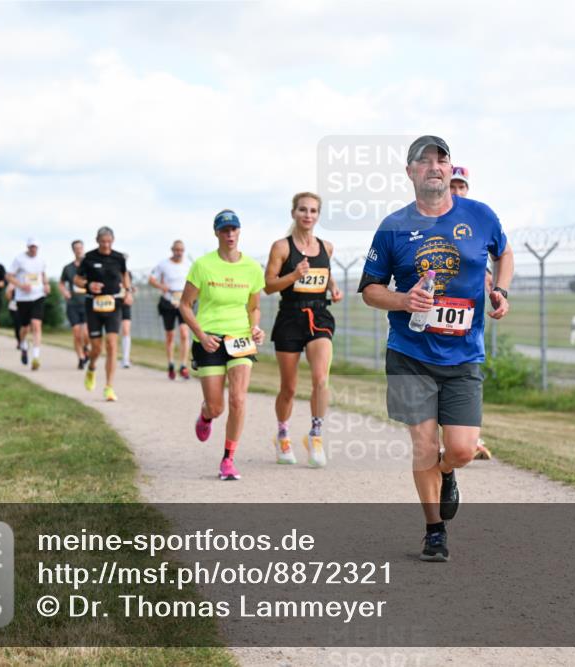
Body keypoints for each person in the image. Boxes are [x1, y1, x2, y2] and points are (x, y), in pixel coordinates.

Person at [359, 136, 513, 562]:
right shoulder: (393, 226)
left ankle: (446, 474)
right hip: (410, 353)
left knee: (461, 449)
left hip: (463, 355)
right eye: (422, 160)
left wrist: (499, 290)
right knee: (424, 445)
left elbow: (505, 253)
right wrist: (404, 300)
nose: (433, 166)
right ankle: (434, 531)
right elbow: (370, 290)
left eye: (440, 159)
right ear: (410, 172)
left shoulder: (480, 216)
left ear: (450, 169)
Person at [179, 210, 265, 481]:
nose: (230, 234)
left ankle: (228, 459)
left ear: (239, 232)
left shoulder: (251, 268)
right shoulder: (203, 266)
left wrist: (255, 327)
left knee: (238, 398)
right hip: (210, 339)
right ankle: (205, 416)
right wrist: (201, 335)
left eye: (234, 229)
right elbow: (184, 305)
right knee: (216, 407)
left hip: (240, 338)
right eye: (224, 230)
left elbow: (254, 307)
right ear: (216, 233)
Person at [263, 192, 342, 467]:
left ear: (318, 215)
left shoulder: (327, 247)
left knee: (321, 379)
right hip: (290, 318)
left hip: (319, 315)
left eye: (313, 211)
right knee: (289, 387)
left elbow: (325, 272)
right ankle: (283, 435)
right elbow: (269, 286)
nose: (308, 215)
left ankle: (316, 435)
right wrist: (294, 275)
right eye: (303, 210)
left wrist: (332, 287)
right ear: (294, 213)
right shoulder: (281, 248)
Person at [449, 166, 494, 461]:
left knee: (466, 377)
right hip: (433, 316)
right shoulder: (428, 220)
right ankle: (458, 442)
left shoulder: (477, 222)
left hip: (467, 320)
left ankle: (469, 438)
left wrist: (495, 289)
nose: (456, 191)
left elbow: (487, 263)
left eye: (461, 187)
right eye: (451, 186)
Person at [75, 227, 129, 401]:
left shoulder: (118, 258)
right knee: (97, 347)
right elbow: (77, 279)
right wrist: (88, 285)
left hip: (114, 304)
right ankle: (91, 367)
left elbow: (124, 275)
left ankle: (109, 387)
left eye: (109, 241)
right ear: (97, 241)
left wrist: (128, 291)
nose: (106, 245)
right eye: (103, 241)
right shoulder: (89, 258)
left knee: (112, 344)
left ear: (112, 241)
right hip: (94, 305)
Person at [149, 240, 192, 380]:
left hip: (184, 302)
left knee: (185, 333)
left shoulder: (189, 264)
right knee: (170, 335)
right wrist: (161, 286)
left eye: (181, 250)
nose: (179, 253)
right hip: (168, 301)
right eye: (176, 250)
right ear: (172, 250)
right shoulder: (163, 264)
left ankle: (184, 366)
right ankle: (171, 364)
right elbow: (151, 279)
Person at [6, 238, 50, 370]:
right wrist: (20, 285)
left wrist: (47, 285)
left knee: (36, 325)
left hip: (38, 296)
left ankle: (36, 357)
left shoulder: (41, 260)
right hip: (23, 298)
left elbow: (43, 274)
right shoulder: (19, 259)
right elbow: (9, 276)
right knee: (25, 328)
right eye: (31, 247)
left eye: (35, 247)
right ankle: (23, 345)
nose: (33, 249)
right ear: (28, 247)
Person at [60, 240, 90, 369]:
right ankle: (81, 358)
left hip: (87, 303)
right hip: (73, 304)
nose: (79, 250)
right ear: (73, 250)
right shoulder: (68, 268)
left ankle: (86, 348)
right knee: (77, 333)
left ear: (83, 249)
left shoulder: (89, 266)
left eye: (80, 248)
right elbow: (61, 283)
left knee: (86, 334)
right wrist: (65, 292)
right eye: (76, 248)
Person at [119, 258, 134, 369]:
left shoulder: (128, 274)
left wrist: (131, 292)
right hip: (111, 303)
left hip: (125, 304)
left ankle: (125, 358)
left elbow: (130, 288)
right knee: (113, 333)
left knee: (126, 330)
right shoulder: (111, 271)